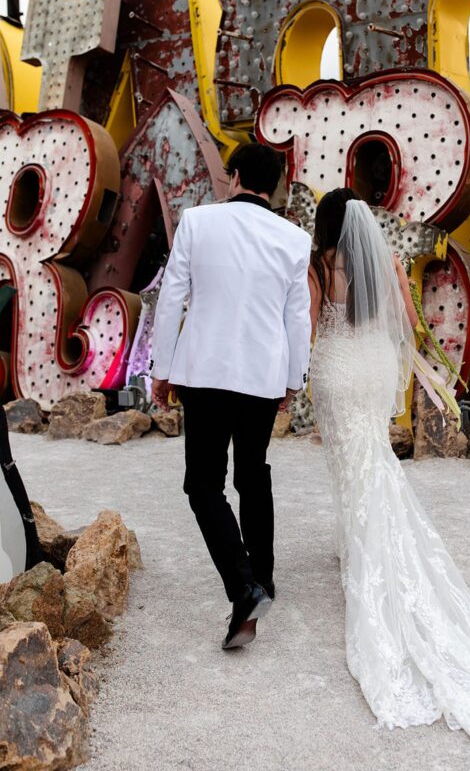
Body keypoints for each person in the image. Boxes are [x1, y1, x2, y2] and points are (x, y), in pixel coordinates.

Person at [307, 188, 470, 747]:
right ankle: (357, 542)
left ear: (325, 225)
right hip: (371, 365)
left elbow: (311, 325)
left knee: (349, 461)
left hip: (336, 369)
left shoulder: (320, 263)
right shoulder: (386, 259)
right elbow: (407, 322)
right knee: (371, 454)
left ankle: (359, 546)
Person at [150, 143, 311, 649]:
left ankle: (243, 588)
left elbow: (172, 295)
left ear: (235, 175)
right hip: (263, 376)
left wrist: (161, 367)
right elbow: (297, 317)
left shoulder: (196, 222)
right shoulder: (294, 237)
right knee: (252, 472)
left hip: (205, 372)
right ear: (275, 185)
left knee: (203, 486)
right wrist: (294, 378)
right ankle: (261, 576)